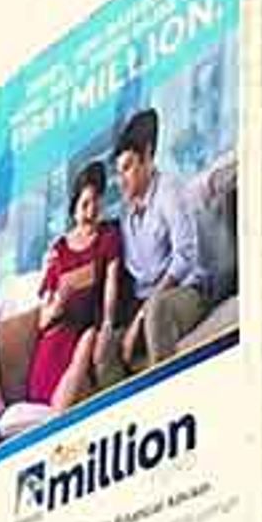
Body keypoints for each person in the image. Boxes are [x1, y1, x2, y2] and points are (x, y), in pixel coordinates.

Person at [96, 108, 206, 387]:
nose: (122, 180)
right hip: (144, 304)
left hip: (186, 293)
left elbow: (185, 257)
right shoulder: (126, 215)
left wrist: (142, 314)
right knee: (106, 346)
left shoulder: (169, 191)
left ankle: (167, 398)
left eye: (129, 167)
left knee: (156, 310)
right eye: (119, 172)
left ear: (147, 158)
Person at [25, 161, 121, 411]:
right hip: (55, 337)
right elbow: (43, 321)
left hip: (86, 331)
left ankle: (58, 413)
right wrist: (60, 301)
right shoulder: (59, 250)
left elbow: (111, 286)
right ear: (74, 207)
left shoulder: (108, 237)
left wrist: (108, 325)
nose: (90, 212)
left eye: (96, 203)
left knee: (89, 339)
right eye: (85, 204)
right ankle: (51, 413)